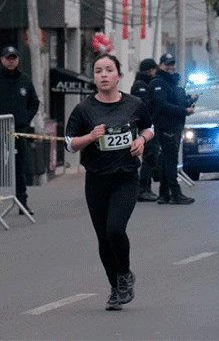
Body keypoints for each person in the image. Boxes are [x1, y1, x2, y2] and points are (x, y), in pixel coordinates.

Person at [65, 53, 154, 311]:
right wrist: (91, 137)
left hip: (125, 178)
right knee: (103, 238)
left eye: (108, 70)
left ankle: (124, 274)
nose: (103, 75)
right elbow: (69, 144)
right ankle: (115, 288)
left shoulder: (134, 104)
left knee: (115, 229)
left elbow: (150, 128)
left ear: (118, 76)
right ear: (94, 78)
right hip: (96, 179)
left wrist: (141, 140)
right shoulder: (84, 109)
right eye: (98, 71)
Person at [0, 46, 40, 215]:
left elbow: (34, 102)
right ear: (2, 59)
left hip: (17, 131)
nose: (11, 61)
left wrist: (26, 118)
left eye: (13, 58)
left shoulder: (25, 80)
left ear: (18, 60)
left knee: (19, 168)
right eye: (8, 58)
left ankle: (22, 203)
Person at [150, 53, 195, 205]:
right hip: (166, 126)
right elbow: (162, 105)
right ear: (160, 65)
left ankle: (164, 194)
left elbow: (176, 102)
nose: (170, 67)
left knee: (165, 161)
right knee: (170, 161)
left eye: (172, 64)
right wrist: (184, 111)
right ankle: (175, 193)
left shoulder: (172, 83)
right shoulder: (158, 83)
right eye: (167, 64)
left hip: (174, 126)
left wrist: (189, 100)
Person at [131, 58, 160, 202]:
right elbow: (144, 107)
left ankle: (145, 188)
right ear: (150, 70)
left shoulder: (145, 84)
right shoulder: (140, 86)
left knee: (151, 156)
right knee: (149, 157)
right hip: (144, 127)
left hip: (147, 126)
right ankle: (143, 189)